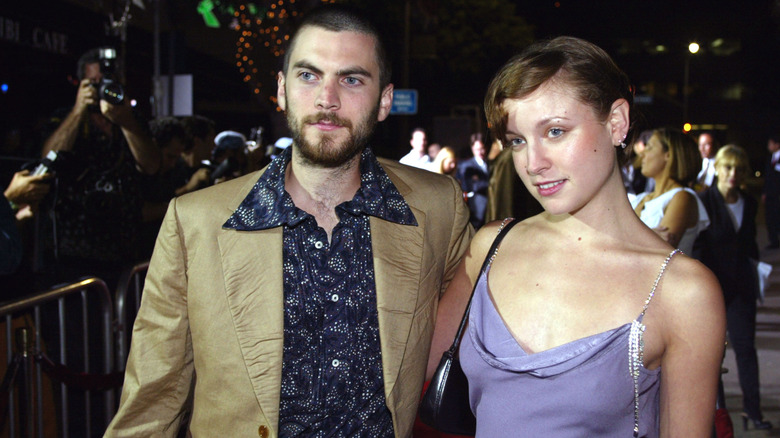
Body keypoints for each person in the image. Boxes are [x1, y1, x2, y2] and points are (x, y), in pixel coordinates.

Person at [106, 5, 472, 437]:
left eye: (351, 80)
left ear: (384, 101)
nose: (327, 99)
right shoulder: (195, 223)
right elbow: (152, 401)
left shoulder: (437, 207)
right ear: (281, 89)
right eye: (309, 75)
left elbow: (485, 327)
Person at [428, 36, 725, 437]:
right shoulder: (491, 246)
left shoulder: (683, 291)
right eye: (518, 141)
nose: (533, 163)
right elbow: (401, 374)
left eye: (555, 131)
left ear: (616, 123)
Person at [40, 47, 159, 288]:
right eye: (94, 83)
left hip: (124, 252)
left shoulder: (132, 120)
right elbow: (48, 161)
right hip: (74, 252)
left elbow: (151, 166)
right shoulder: (64, 118)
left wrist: (126, 121)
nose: (103, 88)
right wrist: (78, 111)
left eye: (109, 82)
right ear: (81, 85)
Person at [693, 145, 773, 431]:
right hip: (712, 289)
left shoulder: (749, 203)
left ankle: (753, 412)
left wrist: (756, 274)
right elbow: (698, 249)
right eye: (728, 167)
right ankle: (716, 414)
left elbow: (749, 244)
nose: (733, 173)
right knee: (711, 354)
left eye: (739, 168)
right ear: (717, 168)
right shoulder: (704, 201)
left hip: (741, 288)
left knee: (746, 350)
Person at [631, 128, 710, 255]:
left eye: (649, 147)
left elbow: (659, 251)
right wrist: (647, 236)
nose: (642, 154)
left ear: (668, 155)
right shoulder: (641, 198)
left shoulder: (683, 197)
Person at [457, 133, 490, 228]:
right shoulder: (467, 166)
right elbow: (474, 186)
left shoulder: (490, 163)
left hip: (490, 207)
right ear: (472, 149)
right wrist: (492, 184)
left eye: (482, 149)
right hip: (476, 208)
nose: (480, 152)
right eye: (477, 149)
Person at [762, 134, 780, 249]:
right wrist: (764, 192)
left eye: (770, 144)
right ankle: (774, 241)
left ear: (777, 144)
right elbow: (767, 178)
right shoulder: (770, 159)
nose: (769, 146)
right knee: (770, 218)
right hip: (770, 194)